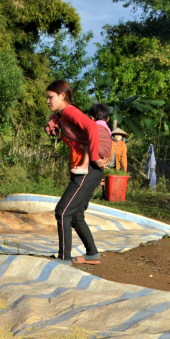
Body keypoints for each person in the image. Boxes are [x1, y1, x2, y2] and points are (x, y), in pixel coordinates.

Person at [45, 80, 109, 265]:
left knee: (62, 211)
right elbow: (79, 141)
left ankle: (64, 258)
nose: (48, 101)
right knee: (75, 214)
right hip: (85, 170)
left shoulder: (70, 111)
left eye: (51, 97)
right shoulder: (63, 116)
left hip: (89, 170)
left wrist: (95, 155)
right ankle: (92, 253)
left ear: (62, 96)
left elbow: (91, 127)